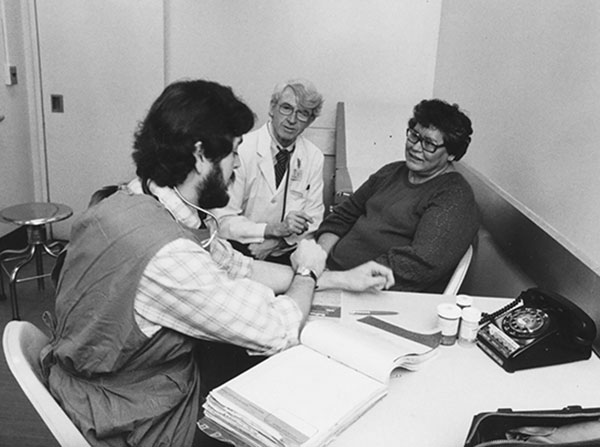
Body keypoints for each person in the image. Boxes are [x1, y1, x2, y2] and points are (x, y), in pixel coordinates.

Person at [40, 79, 394, 447]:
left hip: (111, 377)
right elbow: (278, 329)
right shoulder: (169, 255)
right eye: (234, 153)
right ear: (199, 154)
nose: (238, 166)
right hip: (130, 413)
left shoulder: (131, 200)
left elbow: (244, 269)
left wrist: (337, 279)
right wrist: (305, 272)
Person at [316, 99, 480, 293]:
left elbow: (418, 264)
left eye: (429, 144)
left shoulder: (454, 196)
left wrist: (340, 279)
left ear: (452, 154)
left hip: (370, 290)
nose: (416, 147)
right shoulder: (391, 171)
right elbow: (342, 217)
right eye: (414, 136)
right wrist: (316, 263)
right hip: (329, 276)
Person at [211, 79, 325, 264]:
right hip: (238, 249)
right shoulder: (242, 148)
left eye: (303, 113)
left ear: (310, 121)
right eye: (286, 108)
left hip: (287, 251)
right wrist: (270, 230)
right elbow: (222, 220)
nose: (292, 119)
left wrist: (275, 242)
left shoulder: (314, 157)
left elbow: (314, 221)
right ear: (272, 108)